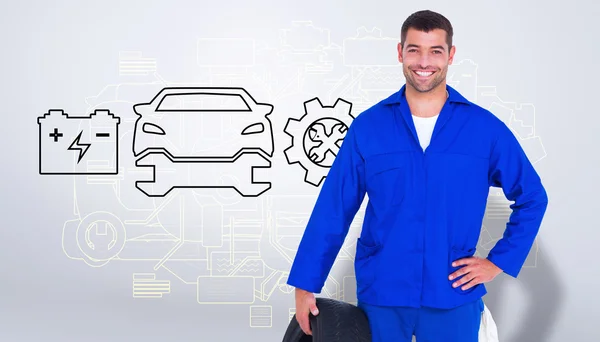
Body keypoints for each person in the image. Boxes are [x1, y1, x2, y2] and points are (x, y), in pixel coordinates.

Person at [286, 9, 549, 342]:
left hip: (452, 293)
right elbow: (334, 208)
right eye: (414, 49)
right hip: (383, 293)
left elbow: (532, 197)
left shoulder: (484, 130)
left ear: (451, 55)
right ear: (400, 52)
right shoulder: (369, 128)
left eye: (435, 51)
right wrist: (305, 284)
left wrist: (497, 262)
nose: (424, 61)